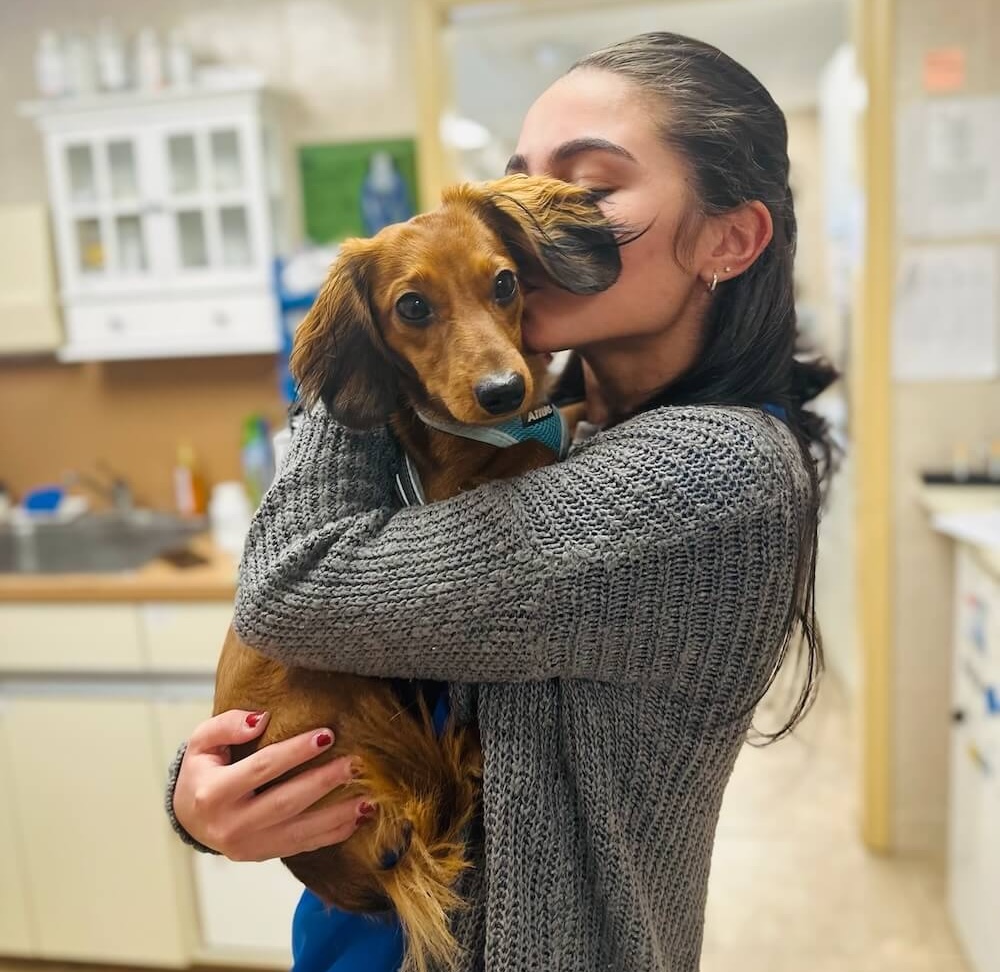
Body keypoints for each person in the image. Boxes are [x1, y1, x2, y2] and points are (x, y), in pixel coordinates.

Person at [166, 31, 838, 972]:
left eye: (588, 188)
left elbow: (296, 589)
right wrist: (216, 793)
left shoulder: (716, 477)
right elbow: (391, 666)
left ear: (729, 239)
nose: (527, 220)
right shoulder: (545, 433)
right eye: (517, 182)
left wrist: (368, 323)